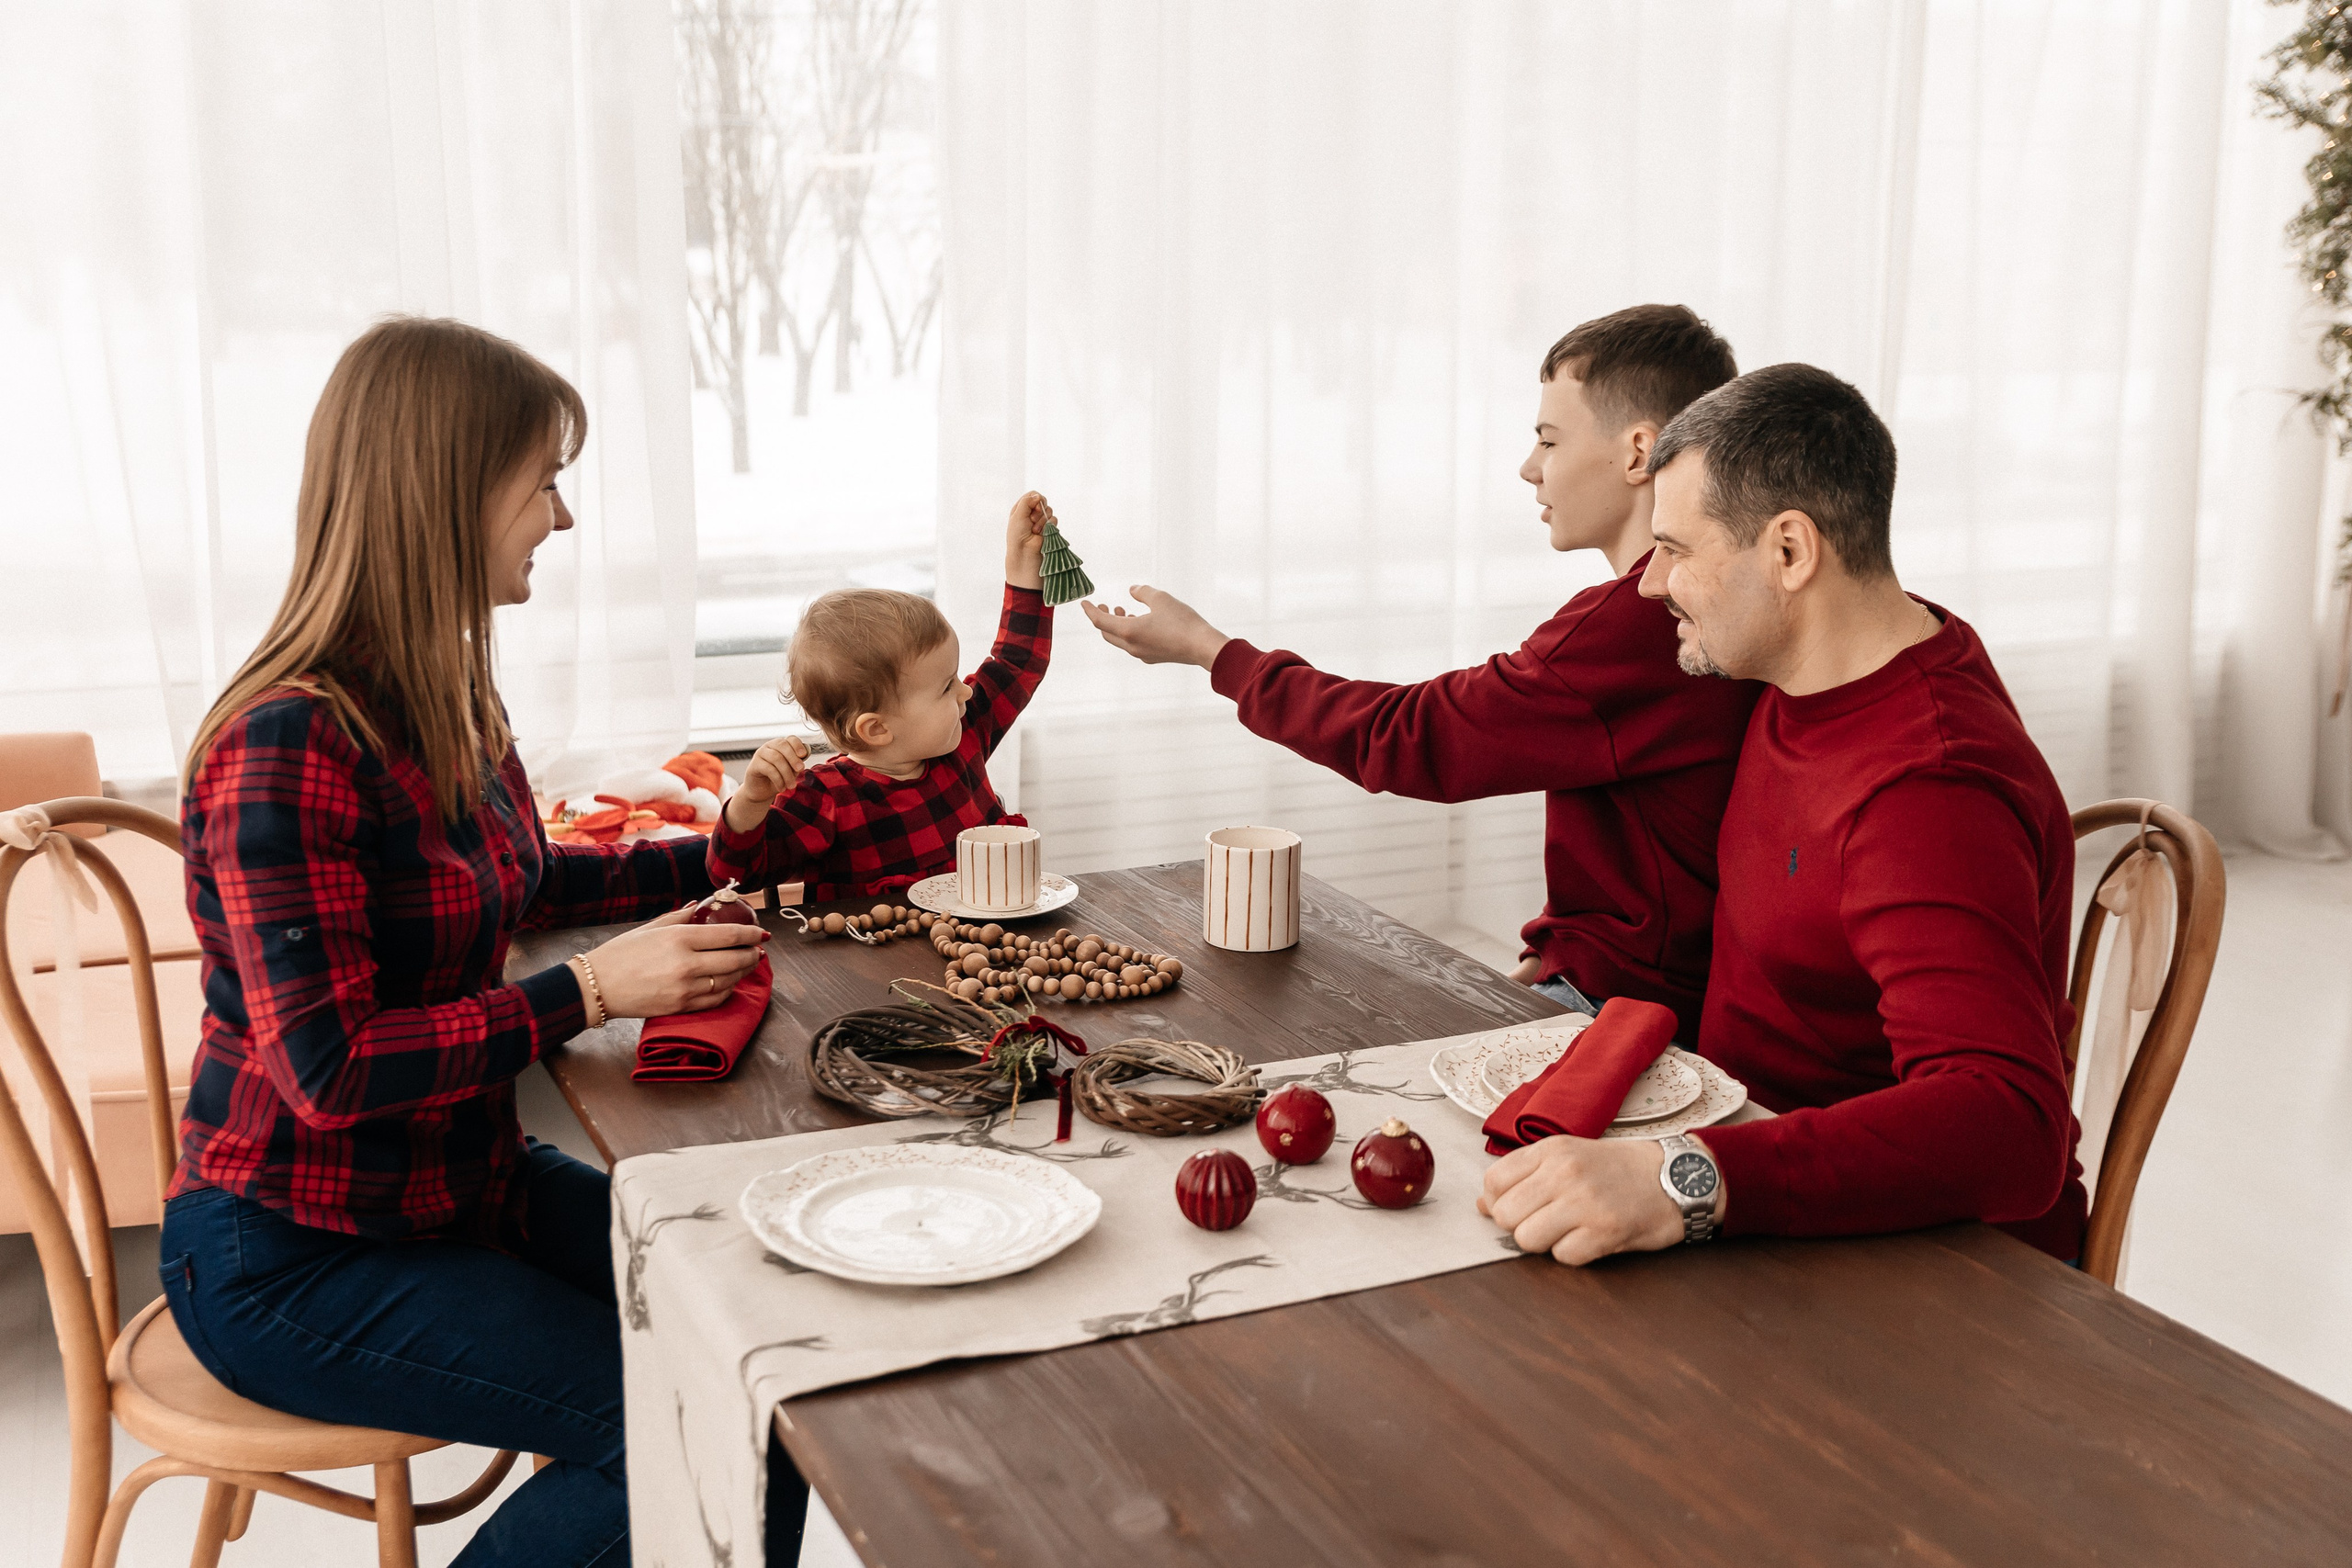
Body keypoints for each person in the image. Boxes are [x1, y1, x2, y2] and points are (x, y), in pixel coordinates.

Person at [163, 316, 785, 1568]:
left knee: (763, 1347)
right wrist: (595, 989)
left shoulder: (447, 687)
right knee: (692, 1415)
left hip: (458, 1192)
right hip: (292, 1255)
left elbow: (530, 874)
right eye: (542, 480)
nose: (561, 518)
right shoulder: (288, 739)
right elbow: (332, 1068)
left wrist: (738, 853)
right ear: (446, 491)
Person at [1479, 362, 2086, 1267]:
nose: (1649, 587)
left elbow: (2006, 1123)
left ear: (1790, 553)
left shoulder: (1927, 791)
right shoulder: (1814, 666)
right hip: (1757, 1162)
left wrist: (1680, 1180)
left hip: (1922, 1263)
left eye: (1676, 551)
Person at [1082, 305, 1758, 1039]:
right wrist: (1563, 951)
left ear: (1637, 453)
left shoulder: (1634, 623)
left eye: (1549, 439)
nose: (1530, 467)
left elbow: (1410, 736)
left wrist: (1213, 652)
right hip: (1619, 984)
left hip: (1632, 1014)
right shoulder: (1691, 603)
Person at [710, 491, 1054, 901]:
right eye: (946, 686)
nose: (965, 691)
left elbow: (1017, 660)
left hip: (981, 957)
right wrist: (751, 799)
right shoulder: (826, 799)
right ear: (876, 729)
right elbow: (735, 874)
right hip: (874, 965)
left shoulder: (964, 733)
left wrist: (1024, 565)